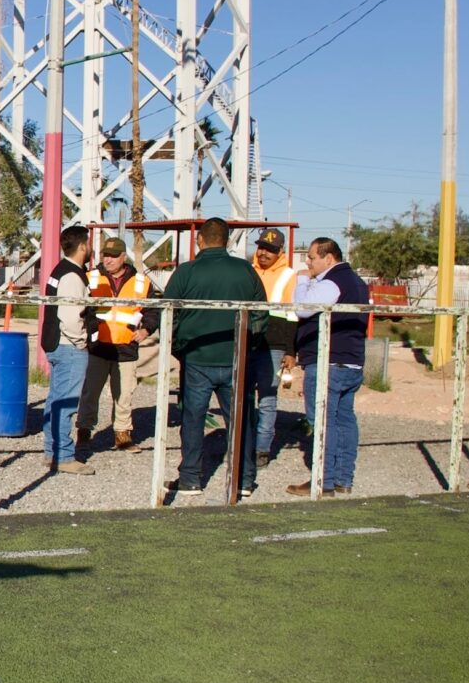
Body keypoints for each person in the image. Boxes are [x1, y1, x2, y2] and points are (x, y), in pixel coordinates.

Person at [150, 216, 265, 504]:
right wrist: (247, 344)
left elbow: (169, 313)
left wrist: (179, 347)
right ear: (226, 240)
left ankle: (190, 478)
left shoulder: (186, 272)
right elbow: (262, 314)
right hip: (236, 358)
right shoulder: (246, 271)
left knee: (192, 419)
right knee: (240, 420)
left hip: (197, 358)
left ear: (199, 240)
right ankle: (243, 480)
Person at [288, 236, 370, 498]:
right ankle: (343, 479)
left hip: (328, 362)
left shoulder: (333, 281)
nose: (308, 263)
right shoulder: (357, 282)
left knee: (324, 421)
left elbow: (302, 309)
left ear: (329, 258)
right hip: (351, 361)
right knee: (345, 419)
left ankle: (324, 481)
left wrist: (302, 281)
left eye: (311, 257)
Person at [74, 235, 150, 456]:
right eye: (105, 255)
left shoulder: (141, 282)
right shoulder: (91, 278)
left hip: (126, 348)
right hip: (98, 348)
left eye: (113, 256)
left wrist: (146, 330)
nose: (108, 260)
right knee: (90, 393)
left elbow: (153, 311)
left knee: (124, 394)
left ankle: (122, 434)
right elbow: (81, 309)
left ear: (123, 257)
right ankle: (84, 432)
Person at [38, 225, 95, 473]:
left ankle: (52, 451)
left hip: (55, 343)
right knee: (66, 402)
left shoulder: (59, 271)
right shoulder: (72, 275)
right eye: (89, 243)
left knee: (55, 400)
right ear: (82, 246)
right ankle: (64, 456)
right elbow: (70, 316)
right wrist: (81, 340)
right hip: (69, 345)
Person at [249, 229, 301, 468]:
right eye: (261, 247)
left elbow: (292, 315)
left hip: (275, 345)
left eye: (270, 250)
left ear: (280, 252)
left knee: (268, 399)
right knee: (244, 397)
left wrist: (291, 351)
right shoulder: (248, 271)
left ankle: (261, 449)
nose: (263, 253)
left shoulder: (289, 275)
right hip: (248, 341)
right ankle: (244, 445)